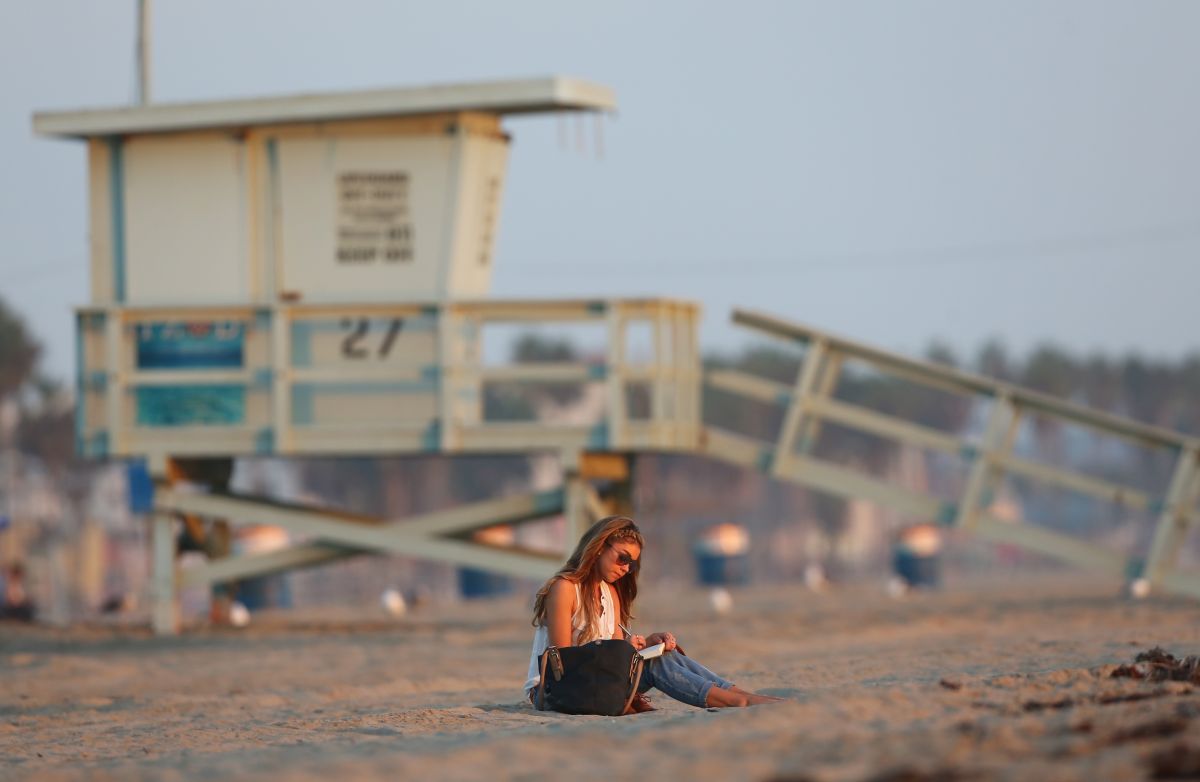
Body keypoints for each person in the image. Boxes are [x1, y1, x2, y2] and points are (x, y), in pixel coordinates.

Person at [524, 515, 781, 710]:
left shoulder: (609, 593)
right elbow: (560, 662)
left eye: (631, 564)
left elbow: (609, 654)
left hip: (593, 682)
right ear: (601, 546)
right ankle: (738, 701)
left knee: (664, 655)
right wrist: (625, 648)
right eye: (622, 558)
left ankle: (738, 694)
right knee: (656, 664)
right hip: (553, 690)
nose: (626, 569)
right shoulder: (565, 589)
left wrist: (644, 644)